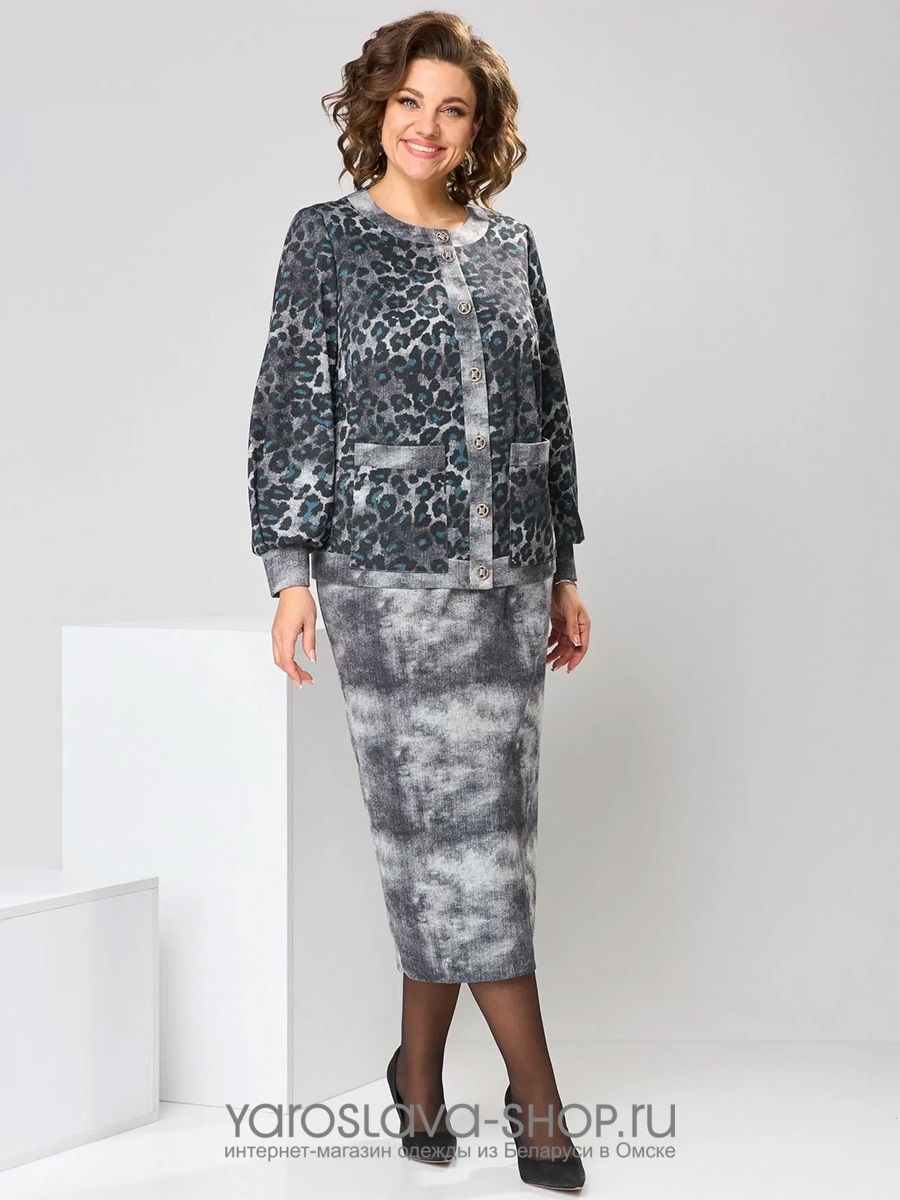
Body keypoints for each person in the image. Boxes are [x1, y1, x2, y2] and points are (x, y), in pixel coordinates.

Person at [247, 11, 590, 1192]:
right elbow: (292, 404)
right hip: (384, 583)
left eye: (453, 108)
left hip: (509, 583)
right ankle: (539, 1106)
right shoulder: (326, 241)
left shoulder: (511, 249)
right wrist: (291, 575)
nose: (427, 127)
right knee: (439, 838)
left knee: (475, 837)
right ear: (375, 108)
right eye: (409, 103)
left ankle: (421, 1079)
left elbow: (547, 406)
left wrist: (565, 567)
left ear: (479, 126)